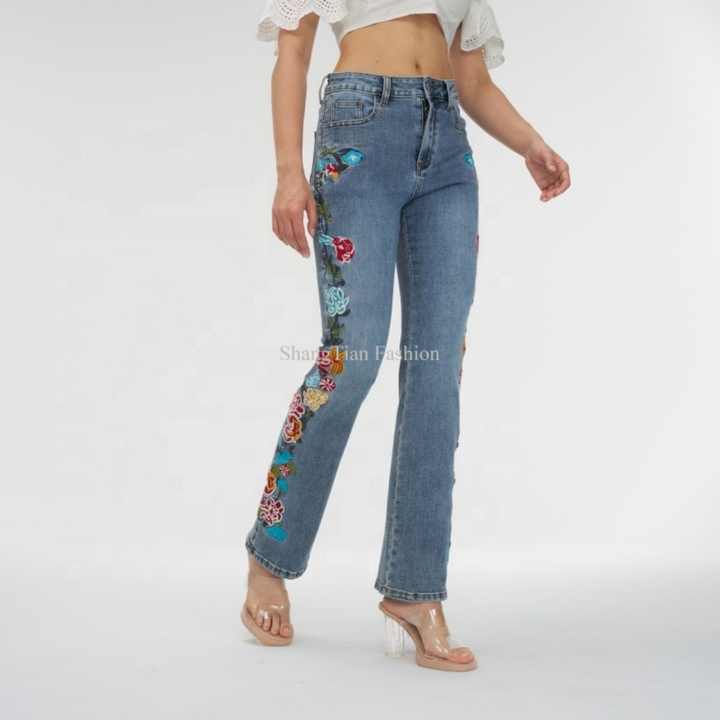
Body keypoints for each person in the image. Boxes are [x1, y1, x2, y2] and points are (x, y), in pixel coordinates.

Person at [242, 0, 570, 671]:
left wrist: (531, 143)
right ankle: (270, 557)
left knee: (437, 373)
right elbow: (293, 52)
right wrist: (287, 174)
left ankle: (415, 593)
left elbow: (472, 79)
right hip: (359, 130)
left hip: (446, 148)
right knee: (350, 360)